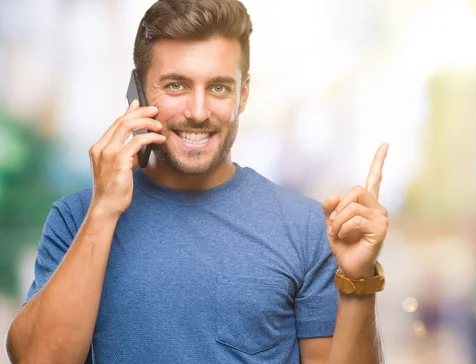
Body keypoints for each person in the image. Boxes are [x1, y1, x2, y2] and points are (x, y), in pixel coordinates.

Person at [5, 0, 389, 363]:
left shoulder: (306, 228)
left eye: (219, 87)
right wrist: (104, 210)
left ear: (243, 95)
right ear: (137, 92)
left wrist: (359, 279)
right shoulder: (77, 220)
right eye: (176, 85)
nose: (199, 111)